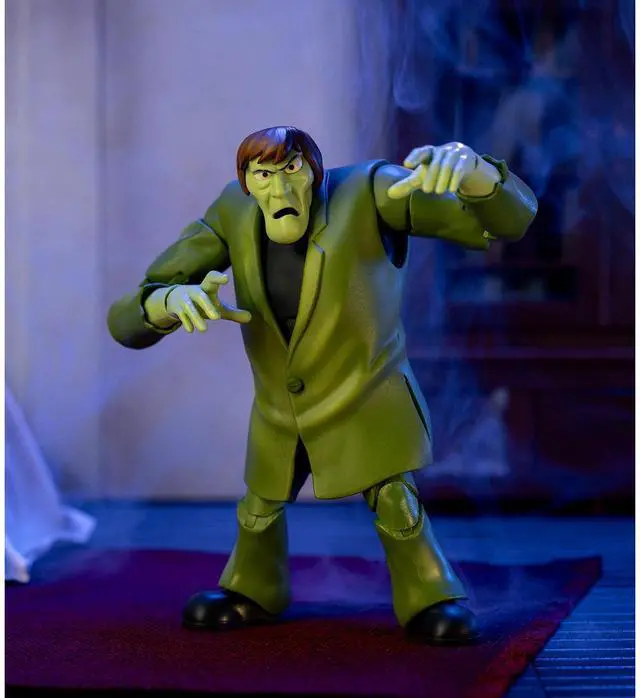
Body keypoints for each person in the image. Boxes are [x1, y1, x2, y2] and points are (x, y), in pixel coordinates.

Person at [107, 126, 537, 645]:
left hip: (367, 393)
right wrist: (168, 302)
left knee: (395, 500)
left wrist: (476, 172)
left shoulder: (371, 192)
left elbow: (506, 223)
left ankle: (430, 594)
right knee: (259, 507)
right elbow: (128, 317)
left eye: (292, 170)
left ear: (314, 170)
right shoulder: (232, 213)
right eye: (263, 176)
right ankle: (252, 588)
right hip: (278, 408)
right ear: (247, 182)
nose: (280, 190)